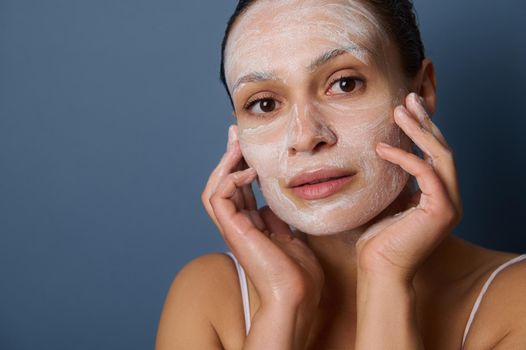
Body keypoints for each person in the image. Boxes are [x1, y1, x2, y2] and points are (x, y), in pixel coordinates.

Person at [155, 1, 526, 349]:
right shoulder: (208, 294)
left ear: (421, 91)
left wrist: (387, 278)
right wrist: (284, 305)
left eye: (345, 84)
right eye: (264, 104)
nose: (305, 136)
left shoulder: (515, 300)